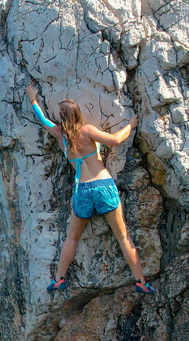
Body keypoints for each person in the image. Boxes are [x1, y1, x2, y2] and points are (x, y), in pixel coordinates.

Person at [27, 83, 156, 294]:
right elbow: (115, 140)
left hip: (82, 190)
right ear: (78, 113)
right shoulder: (86, 130)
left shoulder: (61, 135)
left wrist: (33, 100)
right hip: (103, 185)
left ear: (62, 117)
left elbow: (43, 120)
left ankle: (59, 278)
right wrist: (131, 124)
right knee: (123, 237)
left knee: (72, 238)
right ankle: (140, 281)